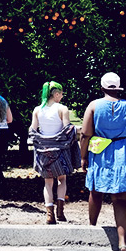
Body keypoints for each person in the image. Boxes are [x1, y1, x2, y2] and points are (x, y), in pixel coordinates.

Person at [80, 72, 126, 251]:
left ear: (102, 88)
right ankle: (123, 243)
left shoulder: (93, 106)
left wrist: (83, 156)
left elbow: (85, 135)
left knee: (95, 192)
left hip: (100, 152)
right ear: (118, 88)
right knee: (120, 199)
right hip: (123, 153)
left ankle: (91, 229)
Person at [28, 80, 79, 224]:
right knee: (62, 179)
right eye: (61, 94)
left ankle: (49, 215)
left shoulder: (37, 110)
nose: (62, 96)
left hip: (43, 152)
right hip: (60, 151)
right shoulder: (62, 109)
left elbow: (32, 130)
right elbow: (67, 130)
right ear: (56, 94)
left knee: (47, 183)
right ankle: (60, 213)